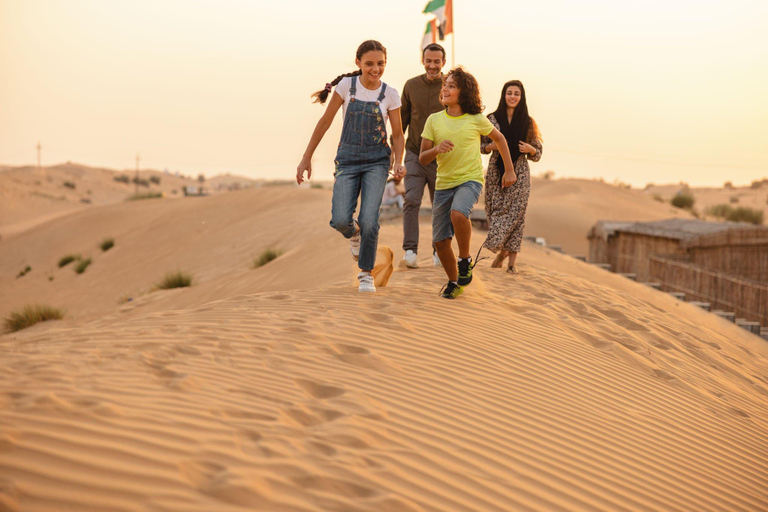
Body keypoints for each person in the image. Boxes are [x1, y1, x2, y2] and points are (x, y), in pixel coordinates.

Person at [296, 40, 406, 293]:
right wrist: (306, 157)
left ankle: (365, 273)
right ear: (358, 63)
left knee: (369, 218)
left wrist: (398, 162)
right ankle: (354, 234)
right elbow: (325, 122)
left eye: (380, 64)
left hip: (377, 161)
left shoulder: (390, 94)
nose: (375, 69)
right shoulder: (347, 86)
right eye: (369, 64)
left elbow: (398, 134)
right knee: (340, 220)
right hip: (347, 159)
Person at [419, 68, 515, 299]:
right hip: (443, 184)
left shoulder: (476, 119)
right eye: (445, 85)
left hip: (470, 180)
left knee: (459, 215)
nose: (445, 89)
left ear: (464, 93)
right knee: (440, 243)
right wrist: (436, 149)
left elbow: (500, 139)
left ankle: (465, 259)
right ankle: (455, 282)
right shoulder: (434, 120)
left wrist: (509, 170)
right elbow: (423, 158)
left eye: (451, 86)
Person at [481, 80, 542, 274]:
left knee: (517, 217)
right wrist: (490, 147)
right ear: (503, 95)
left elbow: (538, 153)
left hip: (520, 172)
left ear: (521, 97)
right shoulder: (491, 119)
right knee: (494, 211)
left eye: (517, 93)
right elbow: (480, 146)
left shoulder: (529, 122)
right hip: (495, 172)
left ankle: (511, 264)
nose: (513, 96)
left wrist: (531, 149)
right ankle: (503, 251)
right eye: (510, 93)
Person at [399, 43, 447, 269]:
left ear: (443, 63)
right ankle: (410, 251)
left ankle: (439, 251)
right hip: (414, 154)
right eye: (428, 60)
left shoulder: (451, 86)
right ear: (423, 60)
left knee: (441, 205)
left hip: (442, 159)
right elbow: (401, 123)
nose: (432, 65)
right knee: (411, 200)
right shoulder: (410, 86)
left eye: (437, 61)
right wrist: (395, 156)